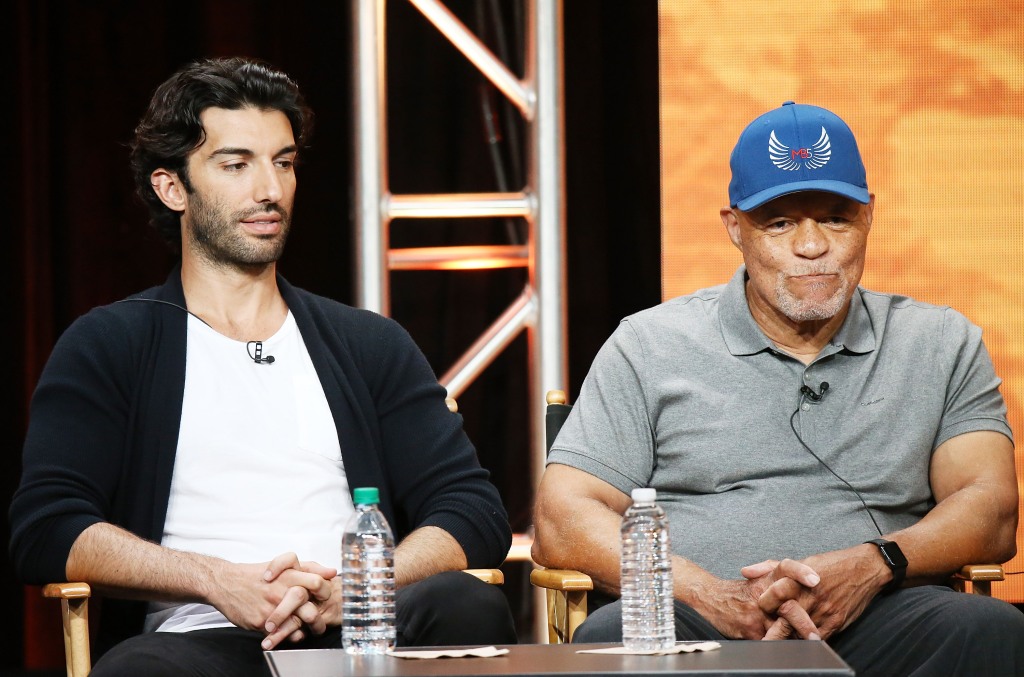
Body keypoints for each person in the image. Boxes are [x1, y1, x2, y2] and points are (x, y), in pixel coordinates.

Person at [9, 57, 516, 676]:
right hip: (202, 639)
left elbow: (472, 509)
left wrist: (359, 587)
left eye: (283, 162)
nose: (269, 191)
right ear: (173, 188)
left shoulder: (367, 343)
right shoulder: (110, 343)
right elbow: (48, 528)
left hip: (361, 627)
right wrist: (217, 581)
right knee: (142, 670)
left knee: (466, 603)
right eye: (236, 165)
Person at [531, 101, 1023, 675]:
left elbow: (991, 511)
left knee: (992, 629)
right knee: (615, 635)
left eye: (836, 218)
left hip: (885, 609)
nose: (812, 246)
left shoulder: (940, 341)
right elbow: (561, 519)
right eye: (780, 222)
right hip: (697, 618)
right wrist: (709, 594)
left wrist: (873, 564)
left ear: (868, 218)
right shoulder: (649, 344)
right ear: (735, 228)